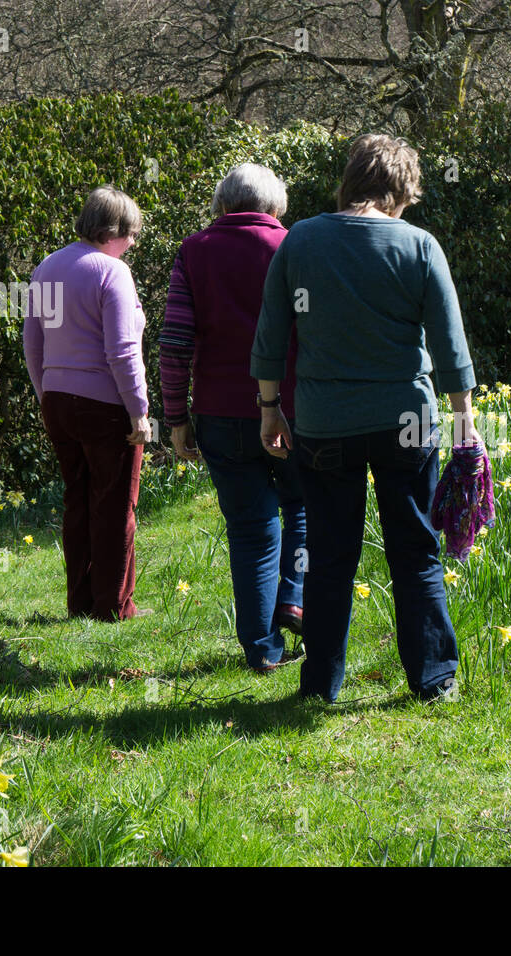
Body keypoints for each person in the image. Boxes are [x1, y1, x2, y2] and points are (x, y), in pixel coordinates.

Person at [251, 133, 481, 703]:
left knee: (329, 557)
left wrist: (268, 408)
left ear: (351, 181)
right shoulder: (420, 246)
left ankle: (320, 686)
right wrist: (464, 424)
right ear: (402, 189)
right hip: (406, 418)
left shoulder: (300, 241)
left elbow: (271, 335)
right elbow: (450, 348)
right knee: (416, 550)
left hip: (326, 423)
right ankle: (434, 680)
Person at [160, 164, 305, 672]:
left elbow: (175, 343)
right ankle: (295, 596)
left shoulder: (194, 251)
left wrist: (175, 416)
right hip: (293, 408)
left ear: (222, 205)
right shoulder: (294, 247)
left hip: (219, 412)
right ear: (275, 206)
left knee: (250, 530)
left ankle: (263, 651)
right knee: (302, 506)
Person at [23, 185, 150, 622]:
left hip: (58, 399)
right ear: (113, 230)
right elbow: (122, 350)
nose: (132, 243)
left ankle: (79, 602)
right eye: (131, 233)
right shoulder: (111, 272)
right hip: (105, 405)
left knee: (77, 501)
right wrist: (139, 410)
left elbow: (33, 343)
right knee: (115, 505)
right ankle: (113, 606)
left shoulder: (47, 267)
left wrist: (47, 396)